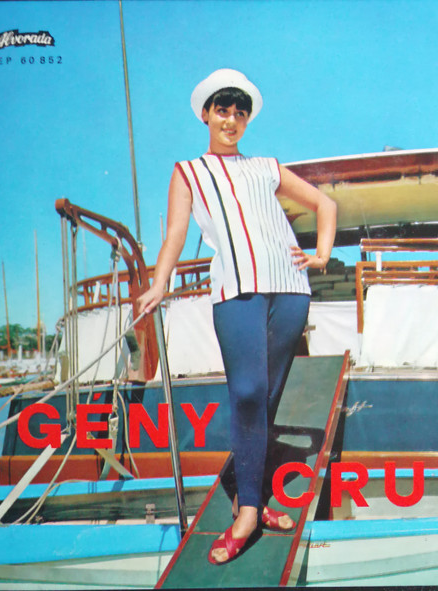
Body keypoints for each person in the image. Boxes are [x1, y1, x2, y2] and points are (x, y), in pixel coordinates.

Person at [137, 68, 336, 565]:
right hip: (235, 289)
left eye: (239, 113)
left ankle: (252, 497)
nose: (231, 120)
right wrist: (159, 282)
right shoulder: (188, 171)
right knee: (247, 393)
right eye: (222, 110)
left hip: (290, 289)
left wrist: (321, 255)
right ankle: (248, 514)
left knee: (266, 399)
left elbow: (324, 203)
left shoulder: (267, 166)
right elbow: (176, 235)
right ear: (206, 115)